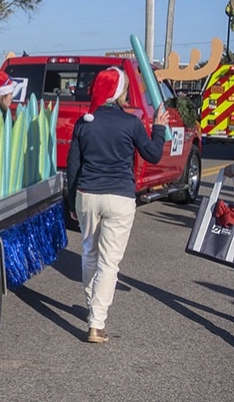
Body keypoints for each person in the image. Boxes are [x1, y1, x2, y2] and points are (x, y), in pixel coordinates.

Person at [66, 66, 168, 344]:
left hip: (87, 195)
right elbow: (153, 154)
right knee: (109, 262)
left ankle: (93, 307)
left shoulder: (83, 123)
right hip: (120, 198)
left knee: (88, 253)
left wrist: (71, 199)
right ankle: (96, 324)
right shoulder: (131, 123)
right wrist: (159, 127)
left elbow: (73, 166)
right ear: (119, 91)